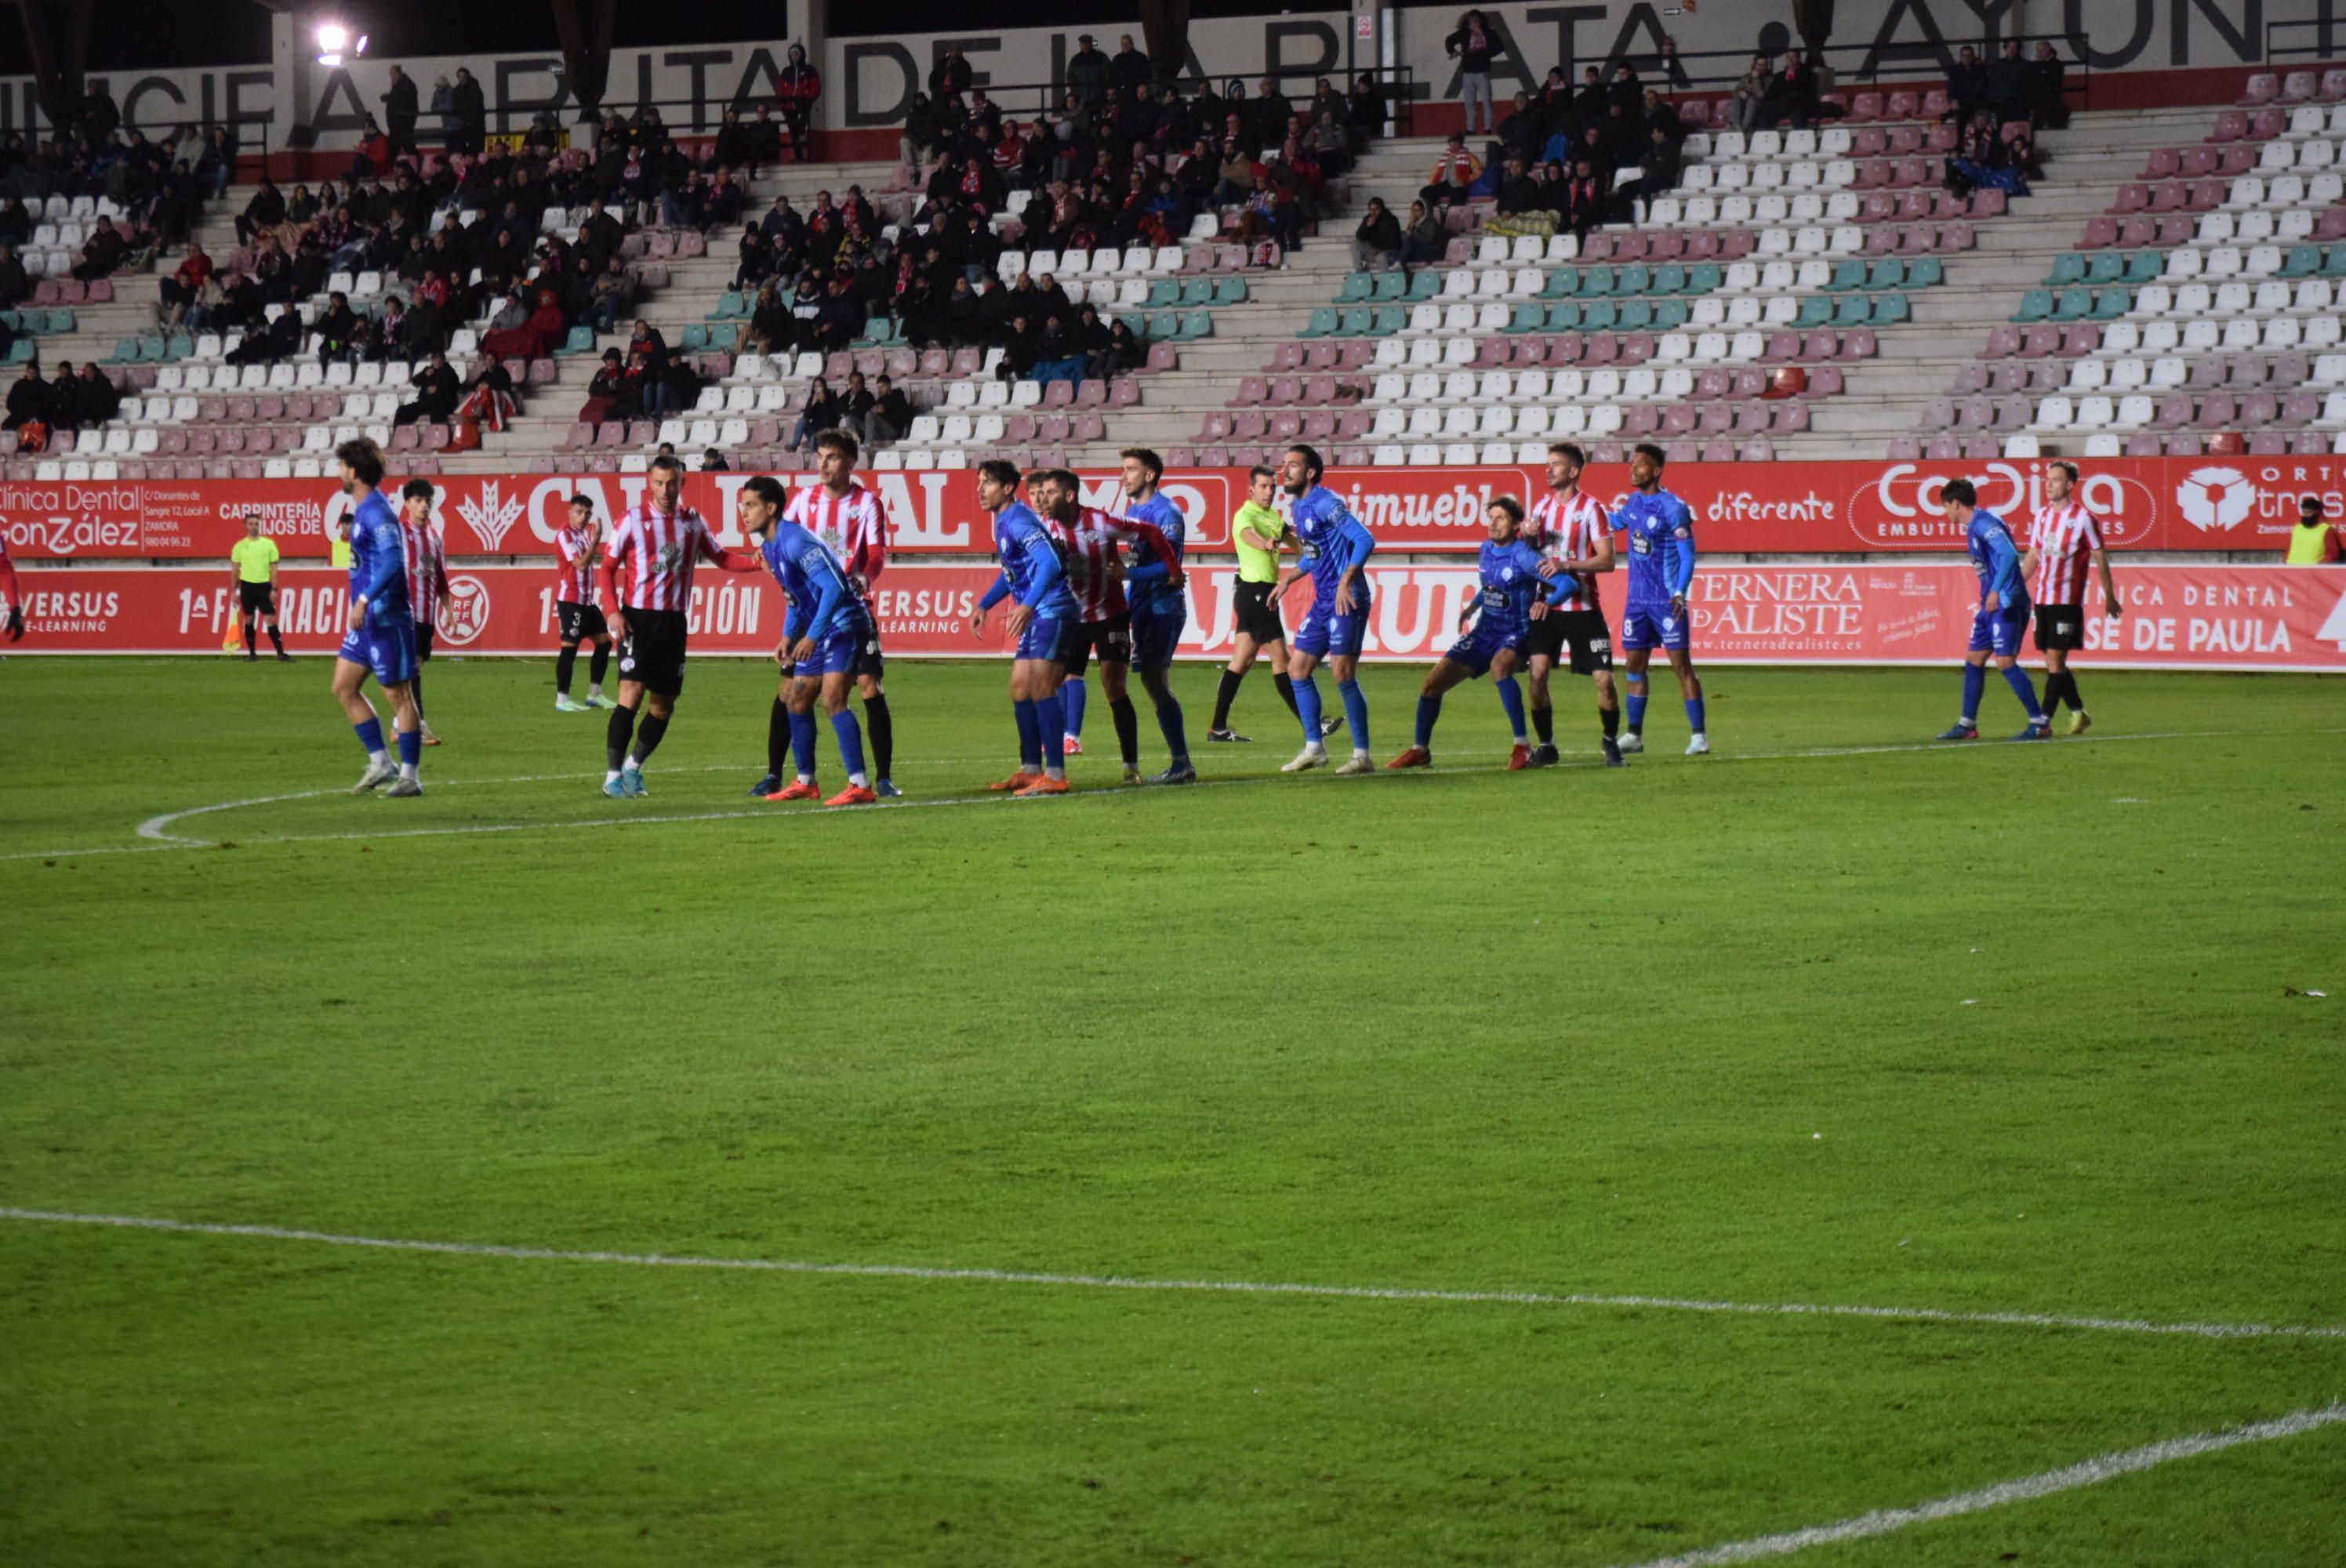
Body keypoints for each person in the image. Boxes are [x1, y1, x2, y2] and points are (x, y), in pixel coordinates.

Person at [597, 452, 758, 797]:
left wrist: (757, 562)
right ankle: (611, 776)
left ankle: (632, 768)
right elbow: (606, 569)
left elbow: (722, 557)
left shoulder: (692, 523)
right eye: (658, 483)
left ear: (682, 483)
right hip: (636, 620)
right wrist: (612, 612)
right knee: (631, 693)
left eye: (672, 483)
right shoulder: (631, 520)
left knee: (663, 705)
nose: (665, 489)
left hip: (673, 622)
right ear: (649, 483)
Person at [1388, 496, 1565, 771]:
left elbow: (1566, 583)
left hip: (1516, 631)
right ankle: (1419, 750)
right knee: (1431, 686)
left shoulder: (1524, 556)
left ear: (1516, 524)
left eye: (1500, 518)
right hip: (1485, 630)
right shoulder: (1486, 549)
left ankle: (1522, 745)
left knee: (1500, 668)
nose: (1493, 524)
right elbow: (1493, 586)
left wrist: (1546, 603)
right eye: (1490, 518)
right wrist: (1474, 605)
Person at [1036, 466, 1182, 784]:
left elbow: (1152, 534)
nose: (1043, 498)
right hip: (1072, 619)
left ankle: (1131, 767)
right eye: (1041, 492)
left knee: (1114, 689)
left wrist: (1173, 569)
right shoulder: (1044, 528)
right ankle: (1047, 769)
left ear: (1070, 495)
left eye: (1050, 492)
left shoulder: (1101, 522)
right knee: (1045, 686)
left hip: (1110, 616)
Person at [741, 476, 877, 806]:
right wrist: (788, 636)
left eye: (750, 505)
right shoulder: (770, 548)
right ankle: (806, 781)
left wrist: (812, 637)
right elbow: (795, 599)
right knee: (796, 698)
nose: (744, 513)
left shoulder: (795, 542)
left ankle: (859, 785)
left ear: (771, 508)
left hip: (845, 623)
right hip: (820, 625)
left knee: (833, 699)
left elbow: (835, 589)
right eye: (743, 505)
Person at [779, 428, 900, 796]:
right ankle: (791, 776)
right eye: (819, 457)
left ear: (850, 461)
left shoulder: (866, 503)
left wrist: (865, 577)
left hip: (851, 610)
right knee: (791, 692)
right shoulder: (803, 500)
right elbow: (786, 542)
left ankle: (879, 777)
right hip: (812, 612)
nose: (823, 464)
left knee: (867, 685)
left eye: (831, 457)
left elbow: (877, 553)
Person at [968, 459, 1079, 797]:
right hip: (1037, 612)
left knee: (1042, 686)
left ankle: (1056, 774)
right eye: (979, 483)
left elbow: (1051, 562)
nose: (980, 490)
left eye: (987, 483)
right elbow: (1013, 572)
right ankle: (1032, 771)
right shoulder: (1002, 521)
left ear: (1006, 488)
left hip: (1053, 610)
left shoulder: (1018, 519)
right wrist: (985, 603)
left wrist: (1028, 605)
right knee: (1020, 686)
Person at [1267, 444, 1376, 775]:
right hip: (1324, 600)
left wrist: (1345, 581)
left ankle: (1362, 756)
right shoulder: (1300, 507)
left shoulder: (1327, 503)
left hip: (1349, 597)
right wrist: (1289, 579)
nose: (1284, 471)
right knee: (1297, 669)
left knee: (1343, 673)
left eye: (1293, 466)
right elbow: (1314, 553)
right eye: (1284, 465)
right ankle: (1314, 748)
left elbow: (1364, 539)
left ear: (1310, 472)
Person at [329, 439, 424, 797]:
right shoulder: (363, 510)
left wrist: (365, 599)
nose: (339, 472)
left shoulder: (378, 513)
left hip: (387, 619)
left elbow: (392, 562)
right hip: (365, 625)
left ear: (354, 471)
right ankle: (382, 762)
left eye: (342, 466)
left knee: (397, 694)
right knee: (343, 687)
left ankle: (411, 777)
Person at [1525, 441, 1622, 767]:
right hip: (1547, 608)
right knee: (1537, 675)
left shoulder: (1592, 509)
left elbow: (1607, 561)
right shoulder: (1540, 510)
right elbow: (1529, 556)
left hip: (1584, 610)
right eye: (1548, 464)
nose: (1548, 469)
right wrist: (1527, 538)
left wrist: (1567, 565)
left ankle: (1610, 742)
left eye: (1556, 464)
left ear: (1574, 471)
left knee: (1604, 681)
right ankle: (1548, 745)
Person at [1208, 463, 1320, 743]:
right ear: (1251, 489)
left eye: (1272, 486)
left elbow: (1293, 542)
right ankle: (1312, 724)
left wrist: (1317, 552)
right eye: (1263, 486)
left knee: (1242, 661)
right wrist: (1265, 545)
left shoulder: (1273, 516)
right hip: (1257, 594)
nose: (1269, 491)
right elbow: (1249, 536)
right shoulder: (1245, 515)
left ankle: (1218, 728)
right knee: (1283, 661)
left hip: (1254, 594)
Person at [1934, 477, 2050, 742]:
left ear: (1955, 503)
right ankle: (1967, 725)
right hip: (1990, 603)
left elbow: (2009, 555)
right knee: (1974, 659)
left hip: (2007, 601)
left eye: (1945, 505)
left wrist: (1997, 590)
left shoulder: (1984, 524)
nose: (1945, 512)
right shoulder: (1974, 527)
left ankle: (2039, 722)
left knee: (2004, 661)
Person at [1610, 443, 1708, 756]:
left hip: (1667, 601)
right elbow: (1612, 523)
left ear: (1655, 471)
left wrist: (1680, 591)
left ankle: (1698, 736)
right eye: (1631, 463)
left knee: (1681, 666)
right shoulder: (1633, 503)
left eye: (1639, 465)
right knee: (1634, 666)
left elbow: (1687, 557)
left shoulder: (1673, 508)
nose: (1632, 469)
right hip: (1636, 602)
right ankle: (1634, 736)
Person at [2021, 460, 2121, 735]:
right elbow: (2034, 555)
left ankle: (2042, 721)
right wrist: (2016, 584)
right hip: (2042, 598)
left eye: (2055, 479)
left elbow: (2100, 555)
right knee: (2052, 661)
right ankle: (2078, 712)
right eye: (2047, 479)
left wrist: (2109, 595)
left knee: (2055, 658)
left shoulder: (2083, 518)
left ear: (2069, 485)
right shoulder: (2042, 515)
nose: (2049, 484)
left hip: (2067, 600)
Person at [1117, 448, 1197, 785]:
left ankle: (1182, 762)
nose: (1124, 476)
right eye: (1123, 469)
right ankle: (1179, 761)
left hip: (1164, 607)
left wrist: (1122, 575)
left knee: (1155, 679)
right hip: (1141, 606)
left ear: (1150, 475)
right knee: (1150, 681)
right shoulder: (1133, 509)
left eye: (1131, 469)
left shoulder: (1167, 513)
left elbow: (1170, 568)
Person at [550, 492, 616, 713]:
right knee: (569, 648)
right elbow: (580, 564)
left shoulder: (584, 536)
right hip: (571, 601)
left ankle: (594, 695)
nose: (583, 517)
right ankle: (562, 699)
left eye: (587, 513)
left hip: (586, 601)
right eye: (579, 512)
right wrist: (597, 540)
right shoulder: (565, 535)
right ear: (570, 512)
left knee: (605, 642)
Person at [398, 478, 449, 747]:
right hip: (404, 614)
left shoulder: (435, 537)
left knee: (413, 669)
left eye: (428, 501)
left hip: (426, 616)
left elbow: (440, 577)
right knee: (412, 669)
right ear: (407, 504)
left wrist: (448, 611)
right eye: (418, 501)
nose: (424, 506)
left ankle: (399, 725)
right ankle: (417, 726)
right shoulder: (399, 533)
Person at [228, 512, 289, 662]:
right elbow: (235, 570)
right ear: (245, 526)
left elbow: (274, 569)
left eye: (256, 524)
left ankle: (281, 653)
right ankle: (252, 653)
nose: (254, 527)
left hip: (263, 586)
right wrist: (234, 591)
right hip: (247, 586)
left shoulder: (269, 544)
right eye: (251, 524)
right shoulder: (239, 546)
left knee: (270, 619)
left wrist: (274, 588)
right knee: (249, 619)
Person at [1446, 10, 1502, 137]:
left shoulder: (1488, 32)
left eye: (1476, 19)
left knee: (1486, 101)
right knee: (1470, 103)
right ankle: (1471, 129)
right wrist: (1452, 51)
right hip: (1469, 72)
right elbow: (1449, 40)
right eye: (1472, 20)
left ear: (1480, 20)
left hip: (1481, 72)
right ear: (1468, 21)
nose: (1474, 22)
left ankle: (1487, 128)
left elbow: (1499, 46)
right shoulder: (1466, 33)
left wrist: (1484, 54)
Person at [777, 43, 821, 163]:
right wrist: (782, 105)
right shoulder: (786, 71)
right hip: (788, 107)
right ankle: (799, 158)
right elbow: (780, 89)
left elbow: (816, 88)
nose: (794, 56)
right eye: (792, 54)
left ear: (801, 55)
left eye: (796, 54)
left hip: (803, 103)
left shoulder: (810, 70)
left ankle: (803, 136)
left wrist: (808, 98)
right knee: (793, 132)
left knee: (801, 126)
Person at [2286, 494, 2344, 564]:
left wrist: (2320, 565)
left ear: (2316, 513)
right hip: (2291, 569)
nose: (2306, 515)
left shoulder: (2325, 529)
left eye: (2309, 512)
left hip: (2313, 571)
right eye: (2304, 512)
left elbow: (2332, 552)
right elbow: (2288, 550)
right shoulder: (2296, 528)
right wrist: (2286, 561)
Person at [1351, 197, 1402, 270]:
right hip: (1371, 251)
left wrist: (1380, 249)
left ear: (1382, 208)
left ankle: (1385, 279)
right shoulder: (1367, 218)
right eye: (1371, 209)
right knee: (1354, 243)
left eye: (1376, 209)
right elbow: (1359, 237)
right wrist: (1367, 227)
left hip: (1386, 251)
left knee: (1381, 256)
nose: (1373, 212)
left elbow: (1395, 241)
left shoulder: (1391, 220)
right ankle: (1359, 273)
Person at [381, 64, 419, 154]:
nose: (391, 77)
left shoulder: (405, 85)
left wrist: (389, 98)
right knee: (405, 146)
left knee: (402, 146)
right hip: (399, 121)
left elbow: (402, 101)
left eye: (393, 74)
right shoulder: (403, 84)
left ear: (398, 73)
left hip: (402, 121)